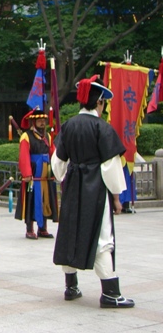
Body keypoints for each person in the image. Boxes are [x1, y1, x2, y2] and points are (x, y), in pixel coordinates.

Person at [51, 75, 134, 308]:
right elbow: (110, 166)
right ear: (98, 102)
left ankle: (71, 287)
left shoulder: (68, 126)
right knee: (103, 238)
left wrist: (66, 176)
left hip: (73, 187)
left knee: (70, 233)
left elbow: (58, 163)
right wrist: (117, 197)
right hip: (95, 189)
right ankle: (110, 293)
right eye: (103, 102)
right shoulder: (102, 128)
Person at [16, 107, 58, 239]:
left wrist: (55, 169)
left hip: (45, 174)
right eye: (39, 120)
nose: (42, 122)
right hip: (34, 174)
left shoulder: (47, 136)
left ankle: (43, 228)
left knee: (45, 199)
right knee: (31, 199)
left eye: (43, 120)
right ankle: (29, 228)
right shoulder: (26, 136)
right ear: (33, 122)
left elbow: (52, 152)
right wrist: (27, 173)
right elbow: (24, 155)